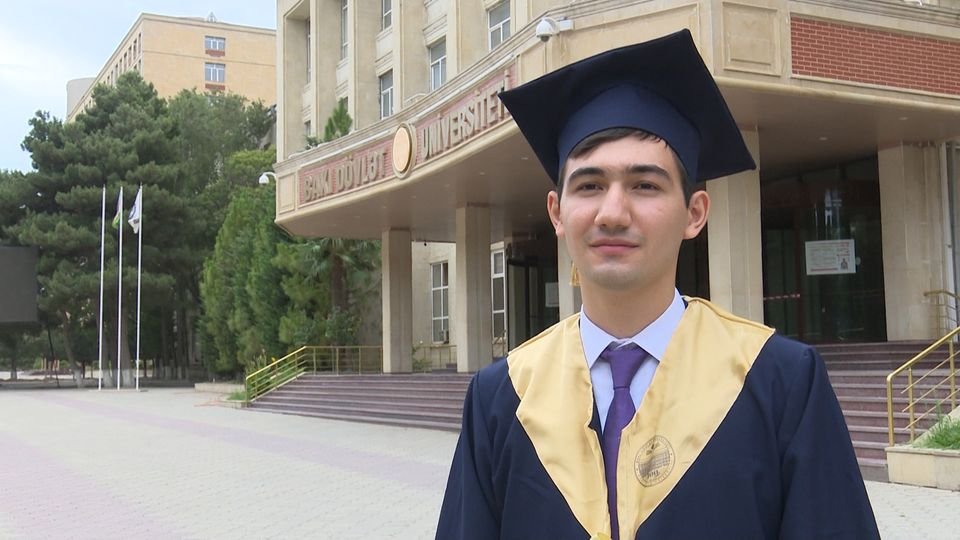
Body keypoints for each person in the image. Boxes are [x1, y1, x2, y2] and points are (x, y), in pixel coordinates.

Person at [435, 29, 879, 540]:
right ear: (557, 213)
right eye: (590, 185)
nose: (612, 212)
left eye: (644, 185)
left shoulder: (780, 383)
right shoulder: (503, 396)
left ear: (694, 213)